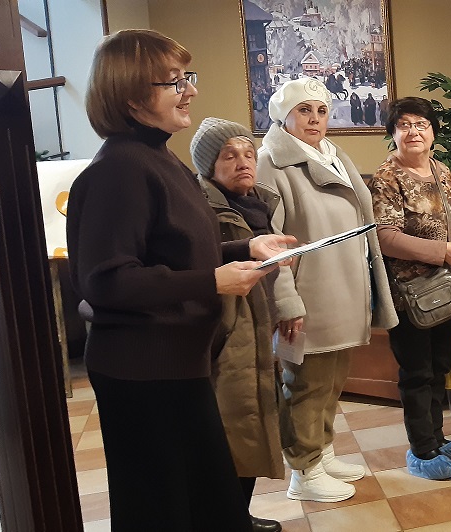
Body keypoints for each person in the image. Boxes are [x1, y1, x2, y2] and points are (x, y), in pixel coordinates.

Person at [68, 29, 294, 530]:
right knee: (163, 510)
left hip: (178, 364)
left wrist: (246, 249)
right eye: (174, 81)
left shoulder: (158, 157)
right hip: (144, 371)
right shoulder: (120, 169)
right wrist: (212, 282)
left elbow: (175, 251)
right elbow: (106, 281)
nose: (190, 90)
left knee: (205, 505)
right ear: (132, 97)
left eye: (186, 77)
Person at [257, 77, 399, 503]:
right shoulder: (271, 163)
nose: (315, 118)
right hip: (310, 293)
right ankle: (304, 469)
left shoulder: (333, 155)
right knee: (305, 384)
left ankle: (323, 452)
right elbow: (269, 240)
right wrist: (286, 300)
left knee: (332, 380)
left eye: (321, 110)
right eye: (304, 110)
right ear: (284, 116)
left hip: (343, 287)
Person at [189, 117, 287, 532]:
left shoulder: (261, 203)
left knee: (250, 427)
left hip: (259, 327)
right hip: (224, 333)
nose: (243, 161)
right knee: (229, 431)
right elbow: (194, 261)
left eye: (249, 153)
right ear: (209, 165)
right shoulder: (199, 206)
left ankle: (236, 516)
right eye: (229, 155)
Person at [371, 97, 451, 480]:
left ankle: (437, 437)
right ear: (393, 132)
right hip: (410, 293)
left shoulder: (441, 170)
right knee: (417, 371)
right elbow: (386, 238)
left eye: (421, 124)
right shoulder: (387, 178)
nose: (413, 132)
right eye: (404, 125)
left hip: (447, 288)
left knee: (439, 367)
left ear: (433, 132)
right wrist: (442, 252)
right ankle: (422, 449)